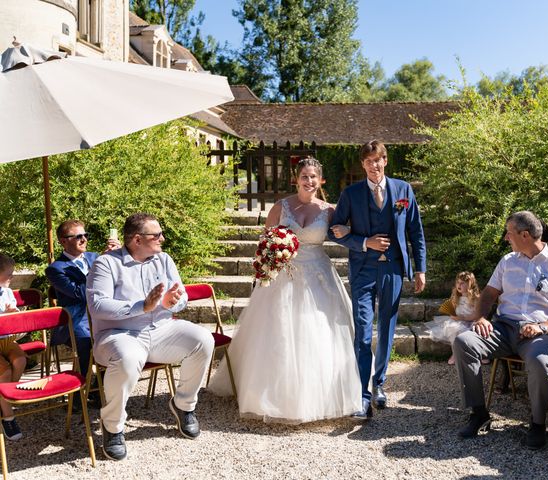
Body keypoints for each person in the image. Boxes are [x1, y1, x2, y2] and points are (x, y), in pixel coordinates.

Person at [209, 157, 361, 423]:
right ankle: (271, 395)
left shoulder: (330, 210)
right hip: (284, 276)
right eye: (304, 176)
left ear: (321, 180)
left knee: (318, 333)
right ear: (296, 178)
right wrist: (270, 260)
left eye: (314, 176)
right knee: (277, 333)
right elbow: (266, 242)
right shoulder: (281, 207)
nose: (309, 181)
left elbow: (346, 233)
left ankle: (319, 396)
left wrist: (350, 232)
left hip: (318, 276)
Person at [87, 213, 214, 461]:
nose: (162, 239)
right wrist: (142, 306)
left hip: (161, 329)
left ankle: (184, 406)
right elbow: (98, 306)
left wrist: (172, 302)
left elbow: (181, 296)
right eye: (156, 235)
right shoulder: (106, 263)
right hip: (119, 334)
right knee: (128, 356)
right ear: (137, 239)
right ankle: (113, 426)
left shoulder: (164, 259)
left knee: (203, 339)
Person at [453, 211, 548, 449]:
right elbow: (489, 294)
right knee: (464, 342)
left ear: (525, 235)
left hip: (540, 334)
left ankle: (537, 424)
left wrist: (544, 326)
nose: (505, 238)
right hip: (502, 328)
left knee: (541, 363)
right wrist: (481, 316)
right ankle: (479, 414)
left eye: (509, 233)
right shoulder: (507, 261)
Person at [328, 140, 427, 419]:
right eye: (368, 161)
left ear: (385, 161)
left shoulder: (403, 190)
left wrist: (420, 269)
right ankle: (362, 394)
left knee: (386, 327)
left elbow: (415, 232)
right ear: (363, 164)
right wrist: (364, 242)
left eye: (378, 160)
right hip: (363, 270)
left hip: (394, 269)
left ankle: (379, 383)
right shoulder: (351, 194)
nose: (374, 165)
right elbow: (334, 230)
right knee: (362, 327)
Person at [45, 219, 119, 381]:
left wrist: (118, 257)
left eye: (85, 235)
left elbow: (117, 283)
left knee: (119, 339)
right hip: (76, 321)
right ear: (63, 241)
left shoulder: (94, 257)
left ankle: (102, 387)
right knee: (87, 343)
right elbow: (81, 294)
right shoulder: (56, 269)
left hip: (101, 315)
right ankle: (79, 397)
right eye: (78, 236)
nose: (84, 239)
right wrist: (99, 267)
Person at [428, 271, 481, 365]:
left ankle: (479, 354)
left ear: (470, 284)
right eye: (457, 282)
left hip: (471, 321)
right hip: (458, 322)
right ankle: (455, 354)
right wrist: (453, 316)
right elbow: (452, 310)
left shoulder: (475, 298)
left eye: (462, 283)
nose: (459, 285)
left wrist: (462, 318)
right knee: (453, 328)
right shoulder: (455, 296)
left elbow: (476, 315)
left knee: (476, 330)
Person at [0, 254, 26, 441]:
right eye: (8, 274)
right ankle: (8, 416)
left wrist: (13, 312)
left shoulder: (7, 292)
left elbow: (15, 314)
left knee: (20, 360)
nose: (12, 277)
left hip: (7, 338)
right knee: (4, 372)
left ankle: (6, 397)